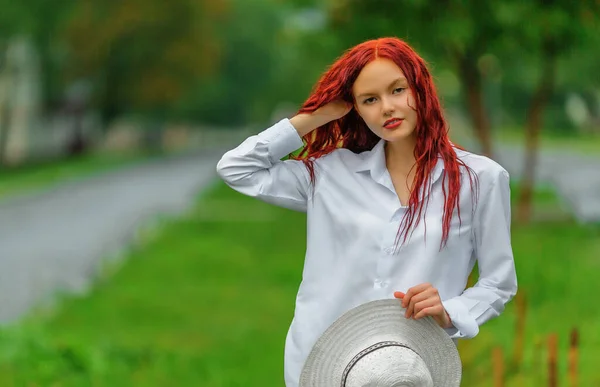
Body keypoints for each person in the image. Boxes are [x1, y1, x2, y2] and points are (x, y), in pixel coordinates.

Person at [216, 37, 518, 387]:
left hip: (408, 369)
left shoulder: (480, 180)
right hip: (322, 363)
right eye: (369, 100)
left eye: (397, 89)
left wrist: (450, 312)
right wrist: (315, 116)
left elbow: (498, 283)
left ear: (420, 89)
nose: (387, 107)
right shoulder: (329, 174)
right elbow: (238, 169)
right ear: (354, 108)